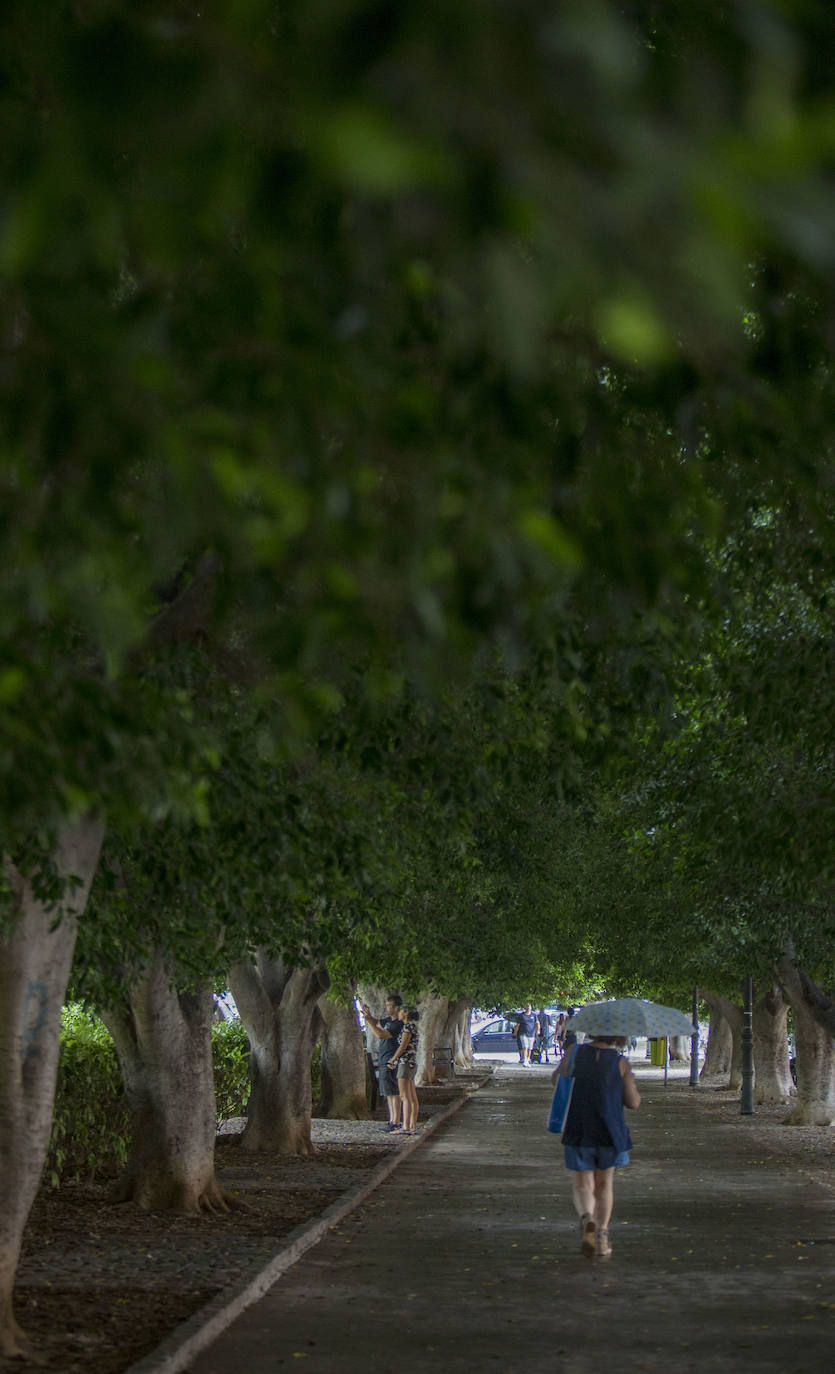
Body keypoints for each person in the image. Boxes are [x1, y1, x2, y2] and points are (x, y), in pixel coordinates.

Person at [552, 1033, 641, 1259]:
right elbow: (633, 1102)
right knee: (605, 1185)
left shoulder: (574, 1053)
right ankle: (601, 1236)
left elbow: (556, 1080)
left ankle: (587, 1218)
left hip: (578, 1128)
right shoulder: (621, 1063)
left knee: (583, 1184)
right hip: (611, 1133)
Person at [360, 994, 403, 1131]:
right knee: (388, 1093)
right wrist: (368, 1015)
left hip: (391, 1060)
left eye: (389, 1005)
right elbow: (377, 1022)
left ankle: (396, 1121)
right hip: (384, 1059)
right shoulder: (388, 1021)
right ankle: (392, 1120)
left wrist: (369, 1022)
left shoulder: (398, 1024)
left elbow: (380, 1034)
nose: (387, 1007)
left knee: (393, 1092)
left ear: (397, 1007)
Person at [388, 1005, 420, 1134]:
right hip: (411, 1063)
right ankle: (412, 1125)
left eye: (400, 1011)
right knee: (412, 1096)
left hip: (404, 1062)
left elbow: (402, 1046)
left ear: (406, 1013)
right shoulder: (413, 1026)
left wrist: (392, 1059)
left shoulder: (407, 1027)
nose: (398, 1013)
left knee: (404, 1096)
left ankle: (405, 1126)